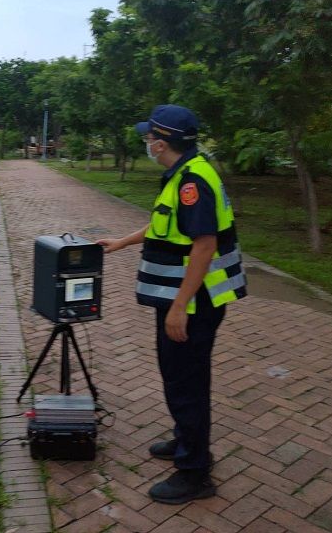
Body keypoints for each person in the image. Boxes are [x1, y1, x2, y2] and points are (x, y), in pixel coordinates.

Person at [97, 104, 247, 504]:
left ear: (160, 143)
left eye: (149, 137)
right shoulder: (187, 172)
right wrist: (122, 242)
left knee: (186, 384)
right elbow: (168, 226)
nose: (146, 142)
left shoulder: (191, 182)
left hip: (193, 303)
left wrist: (179, 307)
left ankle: (195, 473)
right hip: (186, 300)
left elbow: (204, 245)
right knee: (180, 377)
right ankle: (186, 440)